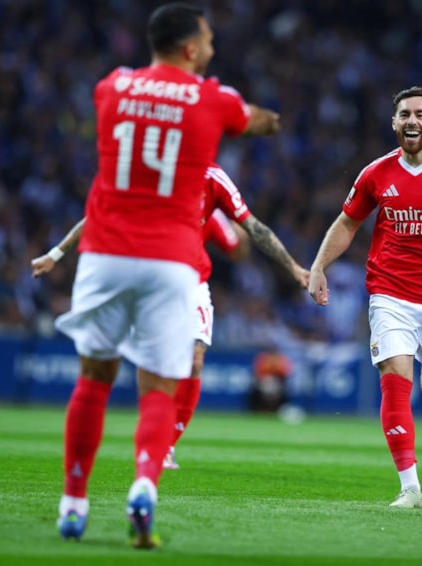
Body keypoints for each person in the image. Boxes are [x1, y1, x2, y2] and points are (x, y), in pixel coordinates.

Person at [50, 3, 280, 549]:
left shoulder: (111, 86)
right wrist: (269, 118)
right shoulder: (213, 98)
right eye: (209, 40)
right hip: (171, 260)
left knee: (93, 380)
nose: (213, 49)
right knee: (158, 386)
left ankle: (74, 503)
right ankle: (144, 486)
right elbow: (256, 120)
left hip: (105, 251)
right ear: (190, 48)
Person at [32, 164, 308, 470]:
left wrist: (293, 267)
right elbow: (100, 212)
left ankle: (166, 446)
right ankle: (144, 441)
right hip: (150, 280)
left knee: (195, 360)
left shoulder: (213, 179)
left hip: (192, 283)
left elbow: (249, 235)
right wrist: (55, 254)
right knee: (146, 364)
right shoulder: (151, 170)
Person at [308, 86, 422, 508]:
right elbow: (347, 223)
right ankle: (410, 487)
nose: (412, 120)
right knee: (394, 377)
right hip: (390, 294)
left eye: (420, 114)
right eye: (404, 114)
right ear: (394, 122)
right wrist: (319, 265)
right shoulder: (376, 173)